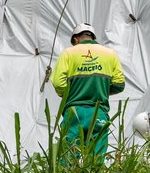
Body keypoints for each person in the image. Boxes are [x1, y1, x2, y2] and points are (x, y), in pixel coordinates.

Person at [51, 23, 126, 159]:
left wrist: (71, 93)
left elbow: (58, 83)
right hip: (98, 111)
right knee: (96, 158)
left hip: (74, 112)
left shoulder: (68, 53)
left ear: (75, 39)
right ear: (92, 37)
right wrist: (101, 89)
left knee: (68, 156)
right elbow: (119, 84)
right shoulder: (110, 54)